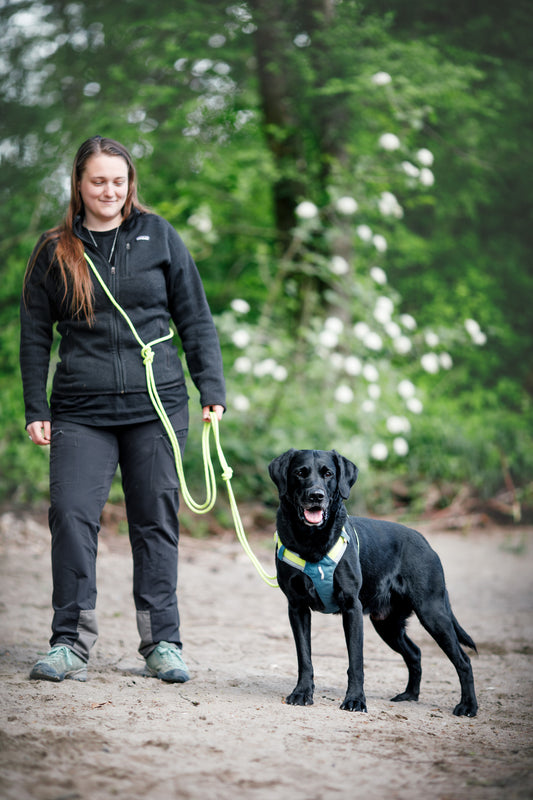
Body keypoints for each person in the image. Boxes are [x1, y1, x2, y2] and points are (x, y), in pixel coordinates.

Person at [20, 135, 226, 684]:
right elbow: (35, 335)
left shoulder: (159, 236)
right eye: (98, 181)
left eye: (119, 180)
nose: (109, 190)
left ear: (130, 184)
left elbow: (196, 317)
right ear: (79, 186)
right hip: (79, 409)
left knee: (155, 520)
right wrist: (34, 406)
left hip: (156, 405)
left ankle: (162, 641)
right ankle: (70, 641)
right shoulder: (54, 249)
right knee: (70, 516)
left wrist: (212, 390)